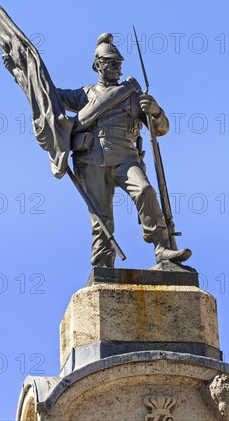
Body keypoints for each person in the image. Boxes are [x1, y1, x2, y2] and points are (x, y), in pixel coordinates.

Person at [56, 33, 192, 268]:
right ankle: (102, 266)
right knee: (101, 220)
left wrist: (156, 110)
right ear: (98, 64)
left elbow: (161, 129)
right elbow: (48, 95)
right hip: (91, 161)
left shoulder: (132, 94)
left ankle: (162, 248)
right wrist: (24, 75)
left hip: (126, 159)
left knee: (145, 190)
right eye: (111, 61)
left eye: (119, 62)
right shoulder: (83, 95)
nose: (117, 66)